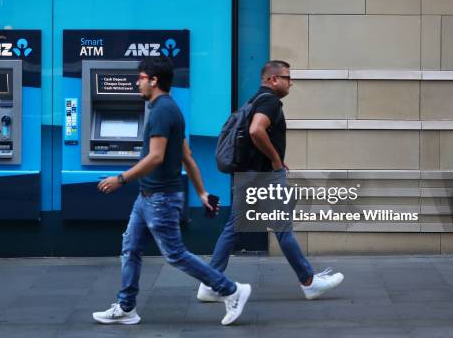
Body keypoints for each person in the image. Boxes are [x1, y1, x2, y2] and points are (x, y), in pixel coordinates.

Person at [93, 57, 251, 326]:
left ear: (154, 81)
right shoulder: (168, 109)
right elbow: (187, 156)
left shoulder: (162, 112)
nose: (137, 82)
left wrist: (120, 178)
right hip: (147, 198)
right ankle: (127, 307)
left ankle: (231, 290)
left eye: (141, 77)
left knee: (175, 254)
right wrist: (201, 193)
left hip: (160, 198)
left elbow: (156, 157)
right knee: (130, 248)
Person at [197, 60, 344, 303]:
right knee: (283, 229)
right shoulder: (270, 101)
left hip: (247, 175)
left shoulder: (254, 100)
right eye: (287, 77)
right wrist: (276, 160)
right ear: (273, 79)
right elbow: (256, 130)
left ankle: (210, 284)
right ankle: (309, 282)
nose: (291, 82)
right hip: (264, 176)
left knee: (233, 229)